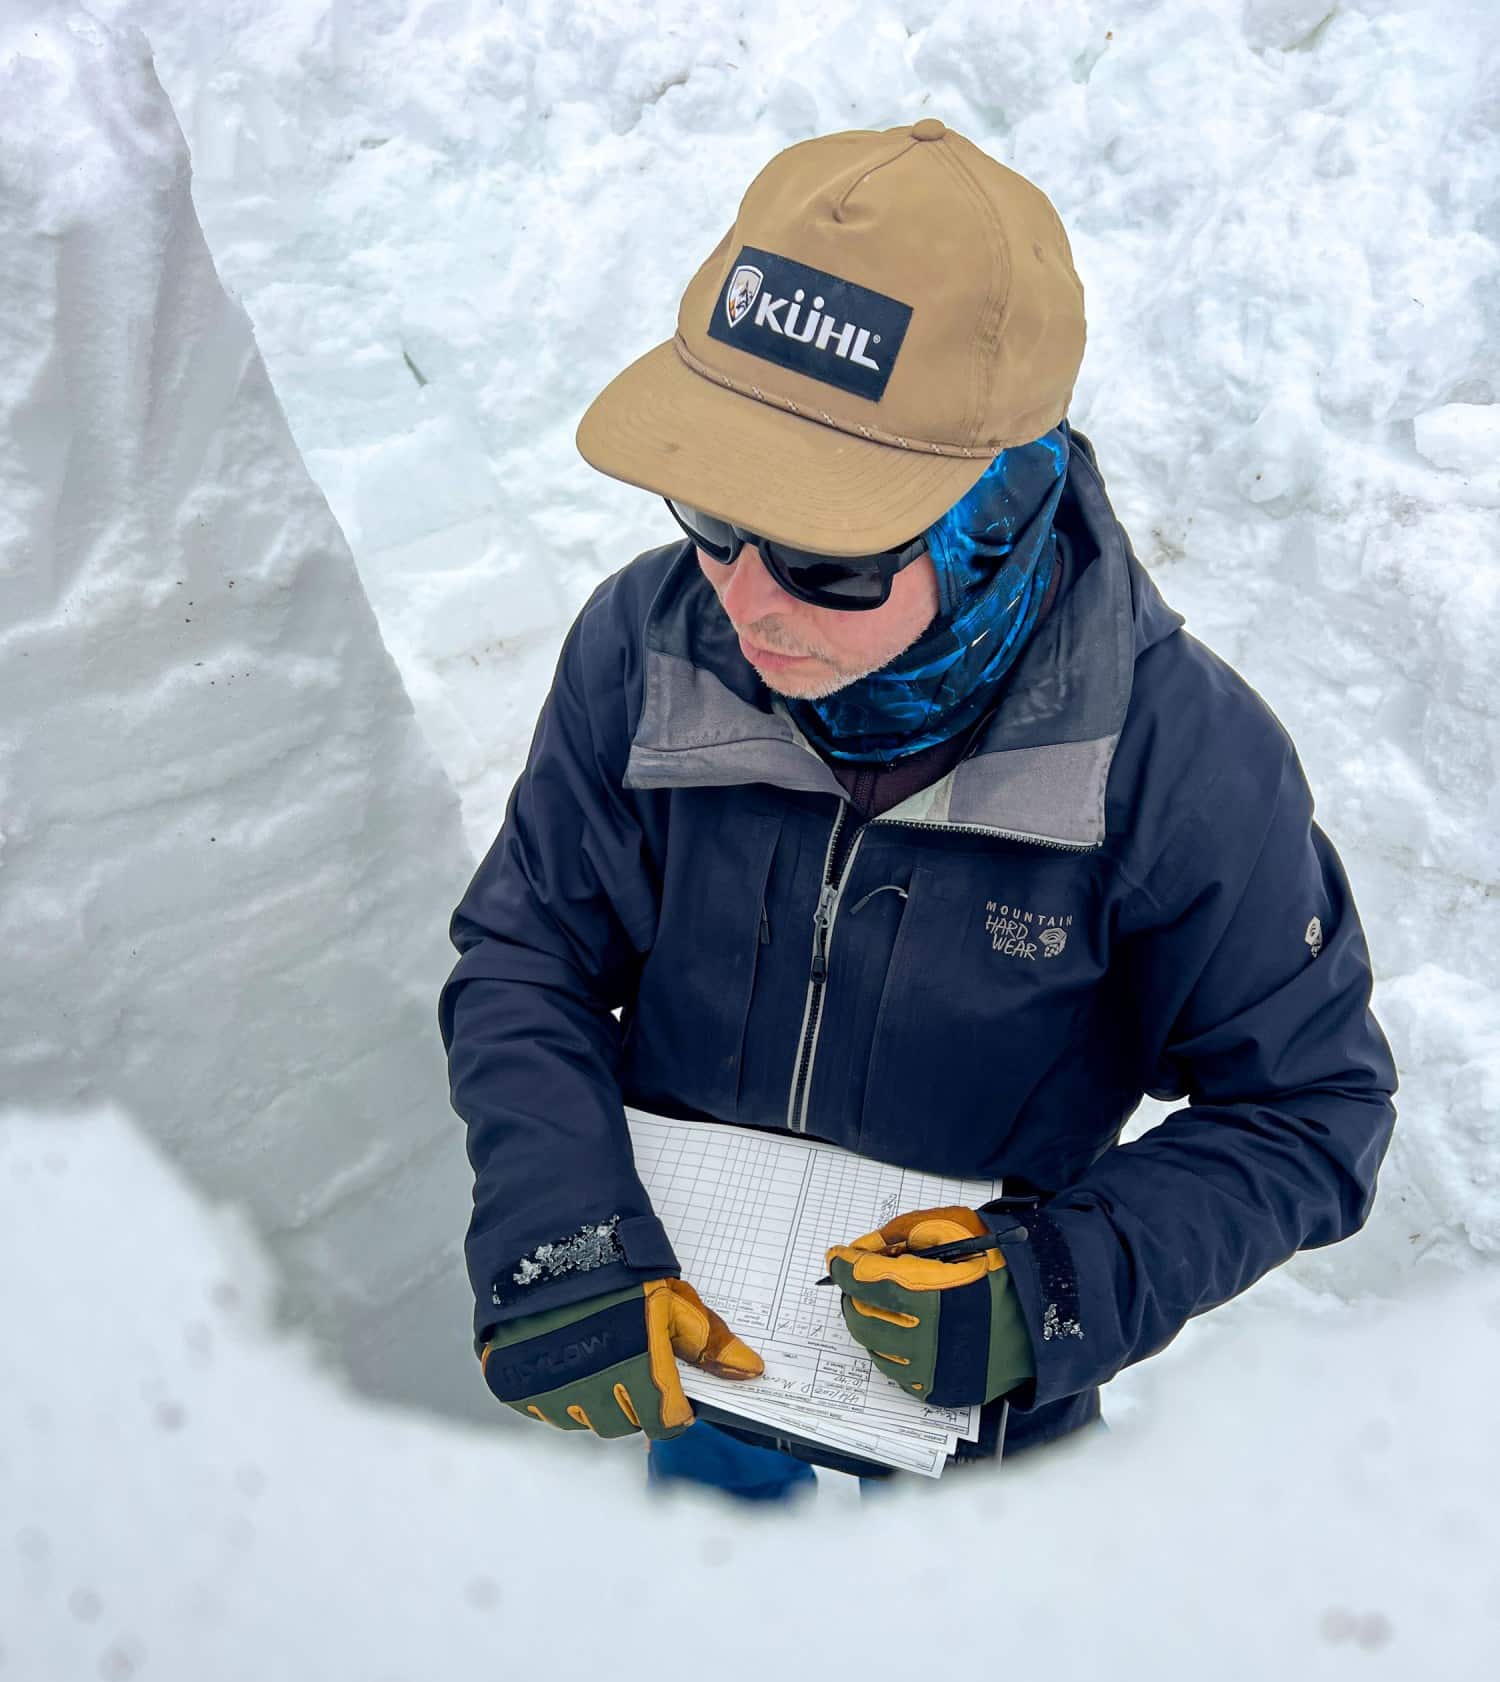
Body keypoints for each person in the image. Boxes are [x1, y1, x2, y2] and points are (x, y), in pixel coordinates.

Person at [438, 120, 1397, 1503]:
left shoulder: (1178, 761)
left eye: (829, 555)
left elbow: (1310, 1105)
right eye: (714, 507)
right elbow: (529, 957)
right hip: (696, 1342)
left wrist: (1055, 1292)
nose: (746, 600)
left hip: (981, 1417)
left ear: (994, 516)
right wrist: (557, 1222)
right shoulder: (643, 653)